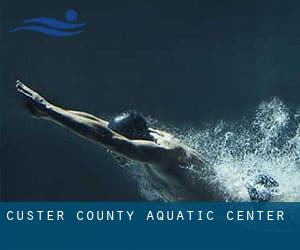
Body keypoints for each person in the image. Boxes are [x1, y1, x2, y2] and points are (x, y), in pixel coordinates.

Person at [15, 80, 278, 201]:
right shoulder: (146, 139)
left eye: (115, 146)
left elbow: (106, 137)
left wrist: (48, 109)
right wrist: (51, 113)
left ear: (132, 140)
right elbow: (99, 125)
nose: (110, 151)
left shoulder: (162, 154)